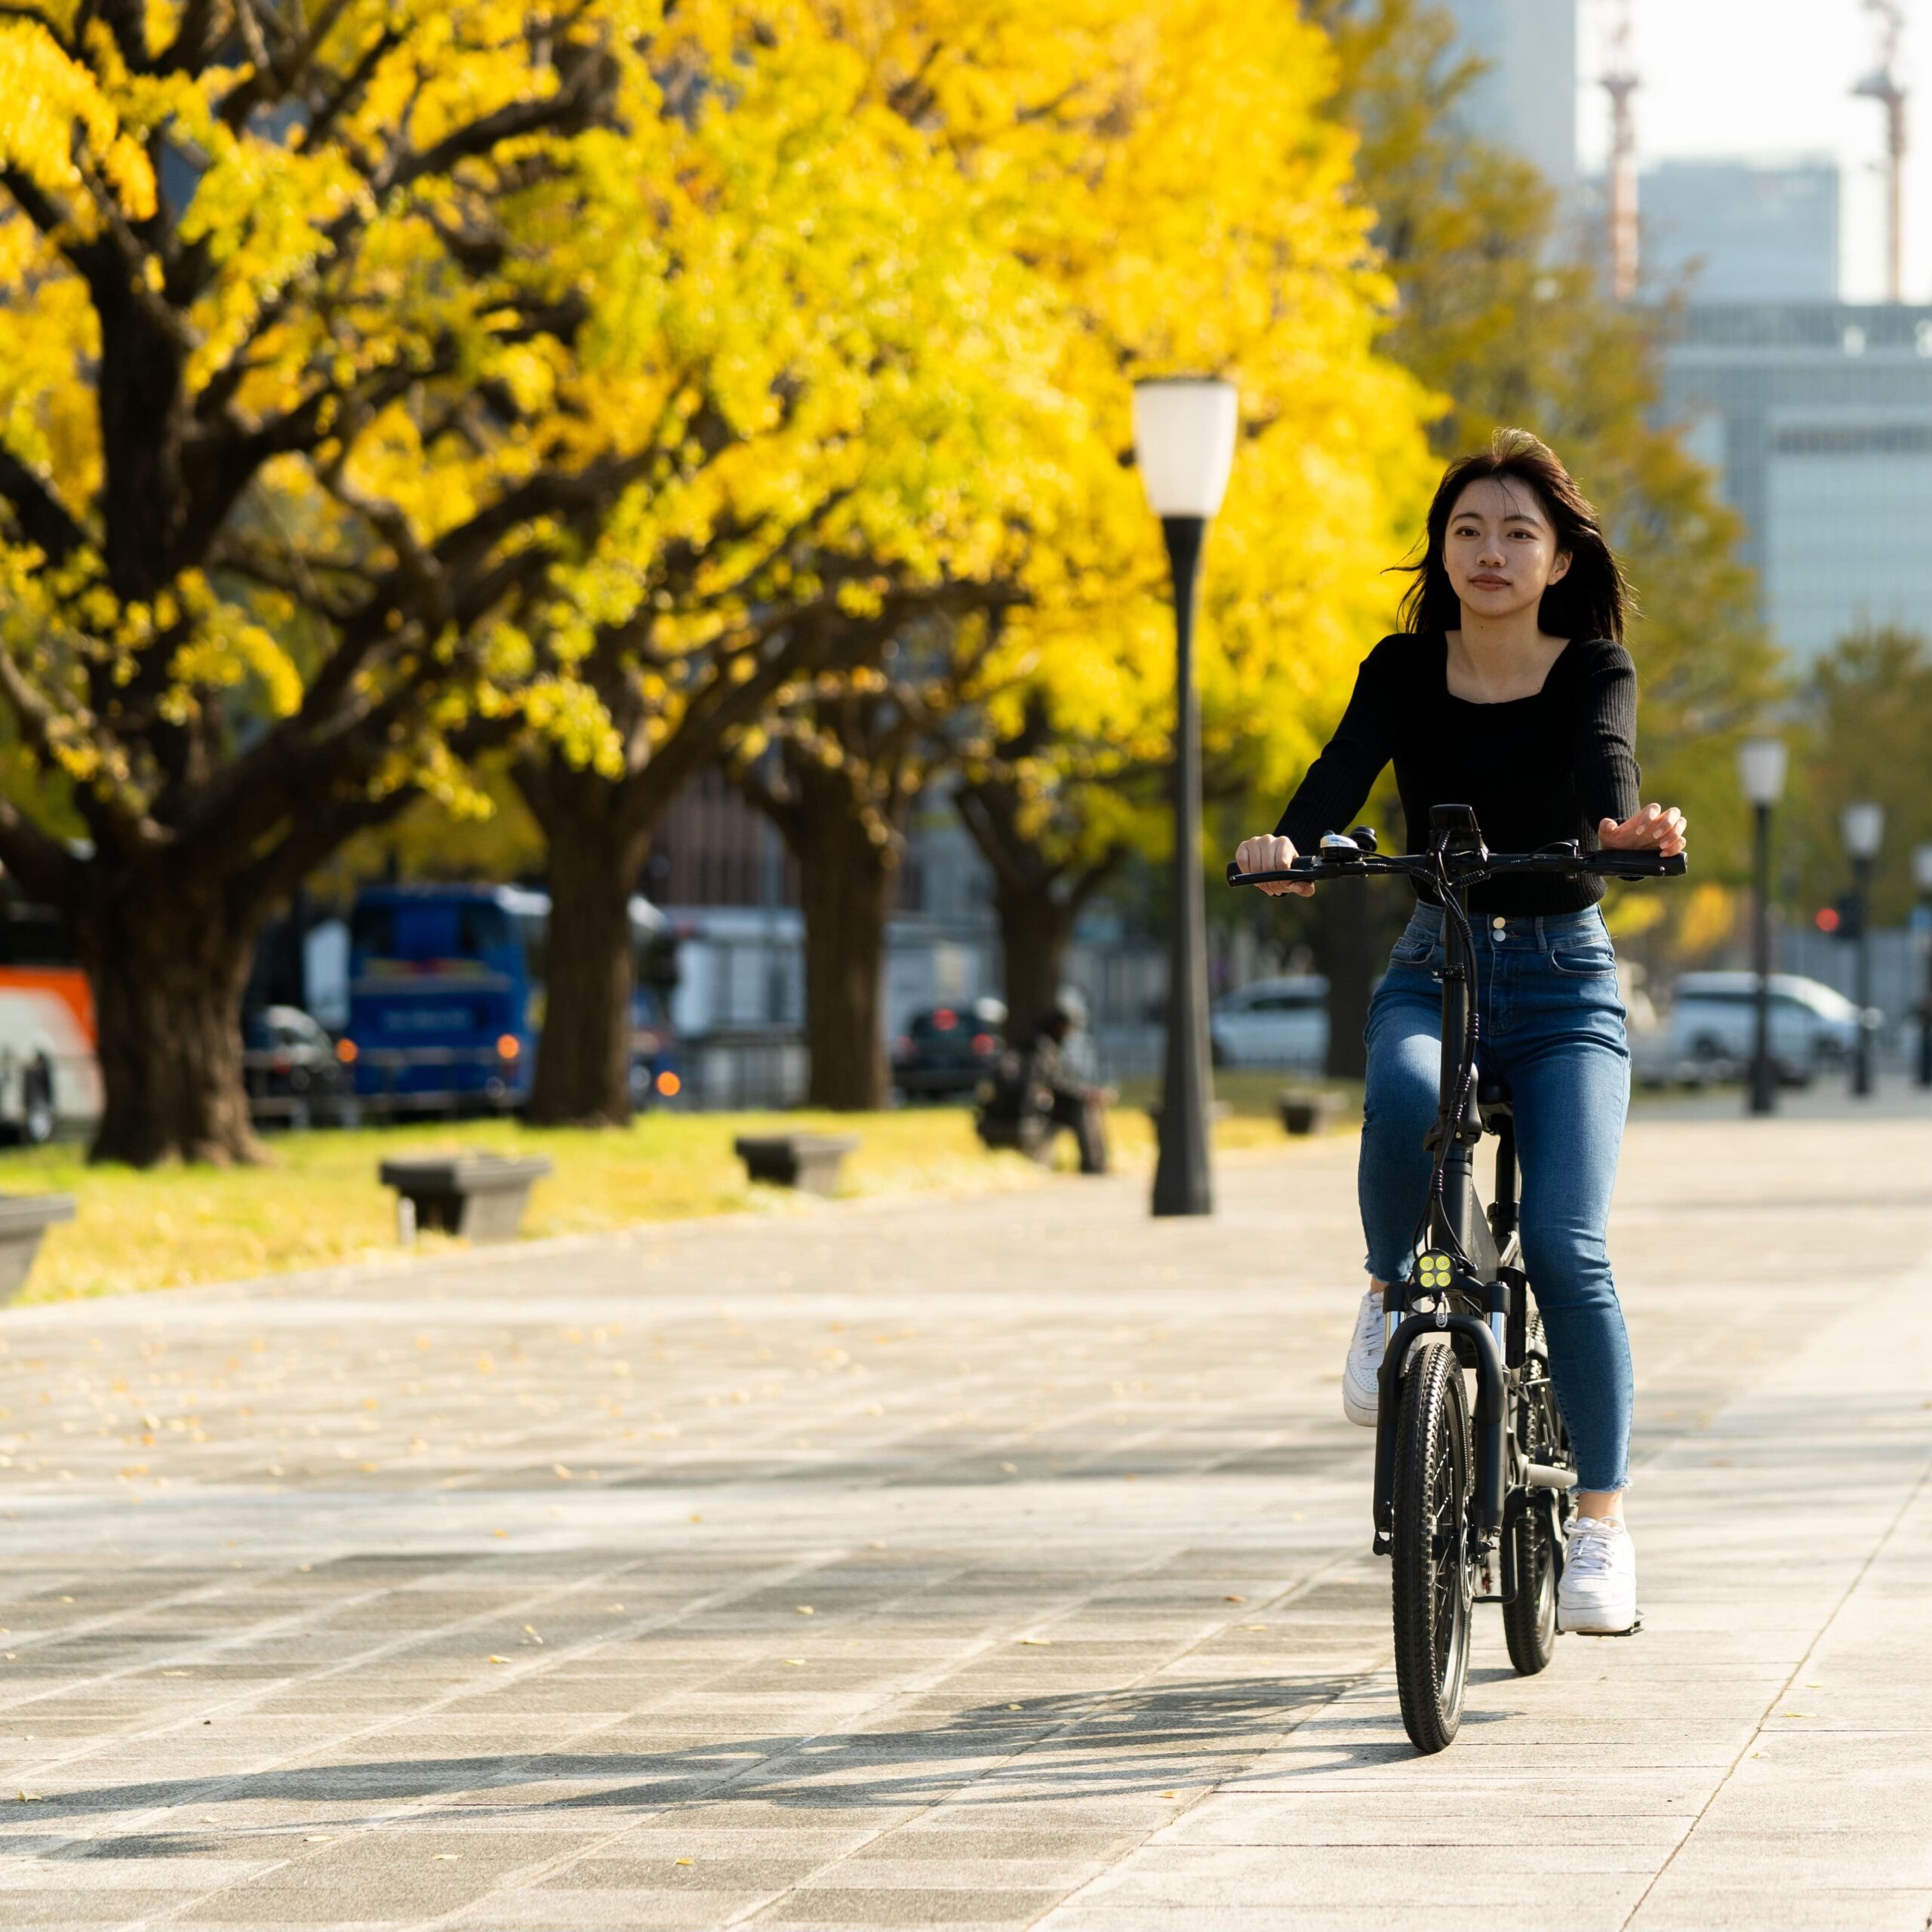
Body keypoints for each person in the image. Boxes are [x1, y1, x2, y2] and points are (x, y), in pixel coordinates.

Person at [1233, 428, 1687, 1638]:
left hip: (1566, 986)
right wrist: (1287, 849)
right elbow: (1334, 783)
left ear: (1557, 558)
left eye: (1519, 534)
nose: (1491, 552)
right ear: (1442, 550)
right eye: (1469, 530)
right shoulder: (1402, 668)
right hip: (1436, 961)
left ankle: (1600, 1524)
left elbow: (1606, 772)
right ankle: (1393, 1292)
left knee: (1571, 1246)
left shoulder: (1592, 667)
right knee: (1400, 1100)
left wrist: (1625, 832)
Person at [977, 1004, 1111, 1174]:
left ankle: (1097, 1162)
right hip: (1032, 1109)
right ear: (1058, 1026)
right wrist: (1086, 1094)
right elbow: (1054, 1083)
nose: (1069, 1034)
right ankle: (1094, 1164)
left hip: (1028, 1107)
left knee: (1087, 1105)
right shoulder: (1042, 1047)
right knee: (1084, 1106)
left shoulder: (1035, 1044)